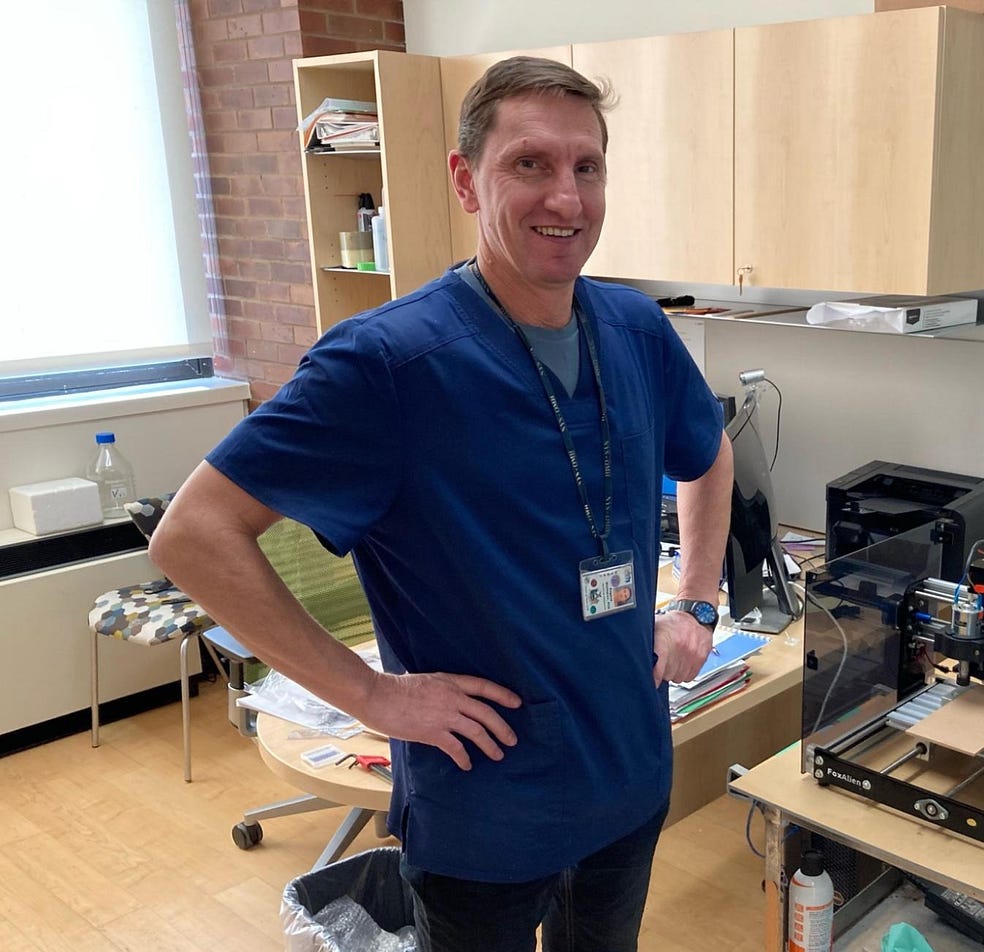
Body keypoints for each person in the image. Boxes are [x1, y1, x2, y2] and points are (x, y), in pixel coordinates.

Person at [150, 56, 733, 952]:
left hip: (627, 765)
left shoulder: (636, 330)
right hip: (490, 802)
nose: (566, 199)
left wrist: (696, 598)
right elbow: (193, 534)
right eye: (529, 164)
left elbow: (709, 450)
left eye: (588, 167)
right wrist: (372, 696)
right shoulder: (387, 365)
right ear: (466, 179)